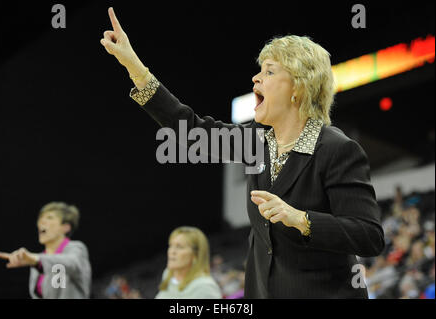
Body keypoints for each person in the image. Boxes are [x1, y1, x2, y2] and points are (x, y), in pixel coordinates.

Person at [100, 7, 385, 298]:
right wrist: (132, 64)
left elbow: (369, 236)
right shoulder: (255, 141)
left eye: (269, 71)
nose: (255, 79)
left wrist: (300, 219)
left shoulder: (337, 149)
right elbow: (188, 129)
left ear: (298, 88)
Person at [0, 202, 91, 299]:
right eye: (41, 218)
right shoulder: (38, 259)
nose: (41, 221)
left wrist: (36, 260)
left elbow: (70, 263)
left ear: (66, 227)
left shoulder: (77, 248)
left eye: (49, 217)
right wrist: (36, 261)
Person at [155, 226, 222, 299]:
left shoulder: (205, 286)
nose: (172, 251)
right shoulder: (168, 274)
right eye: (171, 246)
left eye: (179, 247)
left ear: (195, 255)